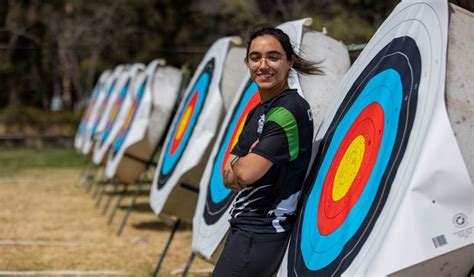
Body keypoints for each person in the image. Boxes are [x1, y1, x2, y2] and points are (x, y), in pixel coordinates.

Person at [212, 26, 323, 276]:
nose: (263, 65)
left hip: (261, 230)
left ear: (289, 61)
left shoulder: (288, 110)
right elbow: (227, 176)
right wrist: (241, 165)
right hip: (247, 227)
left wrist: (241, 165)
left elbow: (246, 173)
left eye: (273, 57)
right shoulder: (259, 111)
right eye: (255, 57)